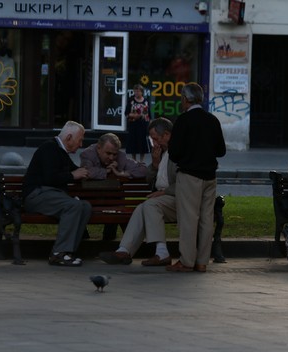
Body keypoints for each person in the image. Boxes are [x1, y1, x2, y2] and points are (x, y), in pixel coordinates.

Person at [99, 118, 178, 267]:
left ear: (166, 135)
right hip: (163, 199)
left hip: (176, 197)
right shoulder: (161, 152)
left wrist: (164, 192)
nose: (154, 143)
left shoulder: (179, 151)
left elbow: (184, 182)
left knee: (149, 206)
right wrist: (155, 164)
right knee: (142, 208)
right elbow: (150, 180)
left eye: (155, 139)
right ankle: (124, 250)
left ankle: (162, 253)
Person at [167, 82, 227, 272]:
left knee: (188, 219)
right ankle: (202, 261)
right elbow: (221, 150)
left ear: (185, 99)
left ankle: (186, 260)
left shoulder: (183, 121)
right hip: (210, 176)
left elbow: (174, 153)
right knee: (206, 219)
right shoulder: (212, 120)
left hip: (190, 175)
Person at [22, 120, 91, 267]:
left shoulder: (61, 152)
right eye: (80, 140)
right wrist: (73, 175)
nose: (80, 145)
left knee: (85, 207)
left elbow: (75, 170)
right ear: (69, 138)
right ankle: (58, 253)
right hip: (37, 194)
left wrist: (92, 170)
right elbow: (50, 178)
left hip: (50, 194)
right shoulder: (49, 148)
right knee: (74, 206)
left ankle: (68, 252)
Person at [80, 133, 147, 179]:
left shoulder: (120, 157)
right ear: (98, 148)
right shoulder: (88, 154)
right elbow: (86, 172)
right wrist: (107, 171)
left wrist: (122, 173)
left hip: (116, 197)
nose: (111, 158)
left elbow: (143, 169)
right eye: (108, 153)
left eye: (114, 154)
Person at [125, 84, 150, 162]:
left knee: (142, 141)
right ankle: (134, 159)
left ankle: (141, 161)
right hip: (133, 125)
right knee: (133, 141)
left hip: (143, 125)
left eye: (138, 91)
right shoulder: (131, 100)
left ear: (142, 92)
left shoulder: (146, 101)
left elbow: (148, 114)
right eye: (135, 91)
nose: (136, 92)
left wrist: (148, 121)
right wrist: (134, 115)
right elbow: (126, 113)